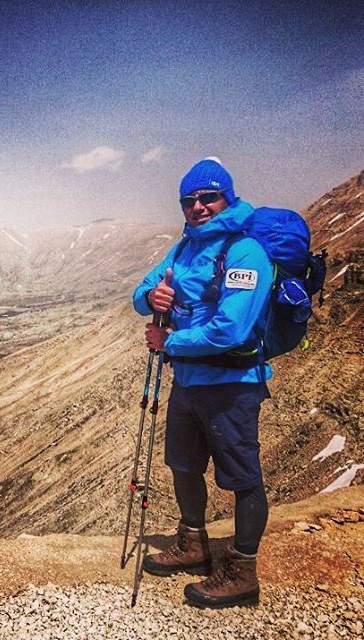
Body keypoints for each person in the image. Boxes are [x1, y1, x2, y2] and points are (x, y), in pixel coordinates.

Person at [132, 158, 273, 609]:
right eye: (189, 200)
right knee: (183, 464)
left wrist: (171, 343)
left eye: (208, 197)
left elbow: (230, 329)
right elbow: (141, 293)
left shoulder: (246, 251)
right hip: (190, 383)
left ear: (227, 197)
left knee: (243, 477)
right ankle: (194, 544)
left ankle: (241, 572)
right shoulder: (185, 248)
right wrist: (151, 297)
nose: (198, 206)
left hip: (232, 384)